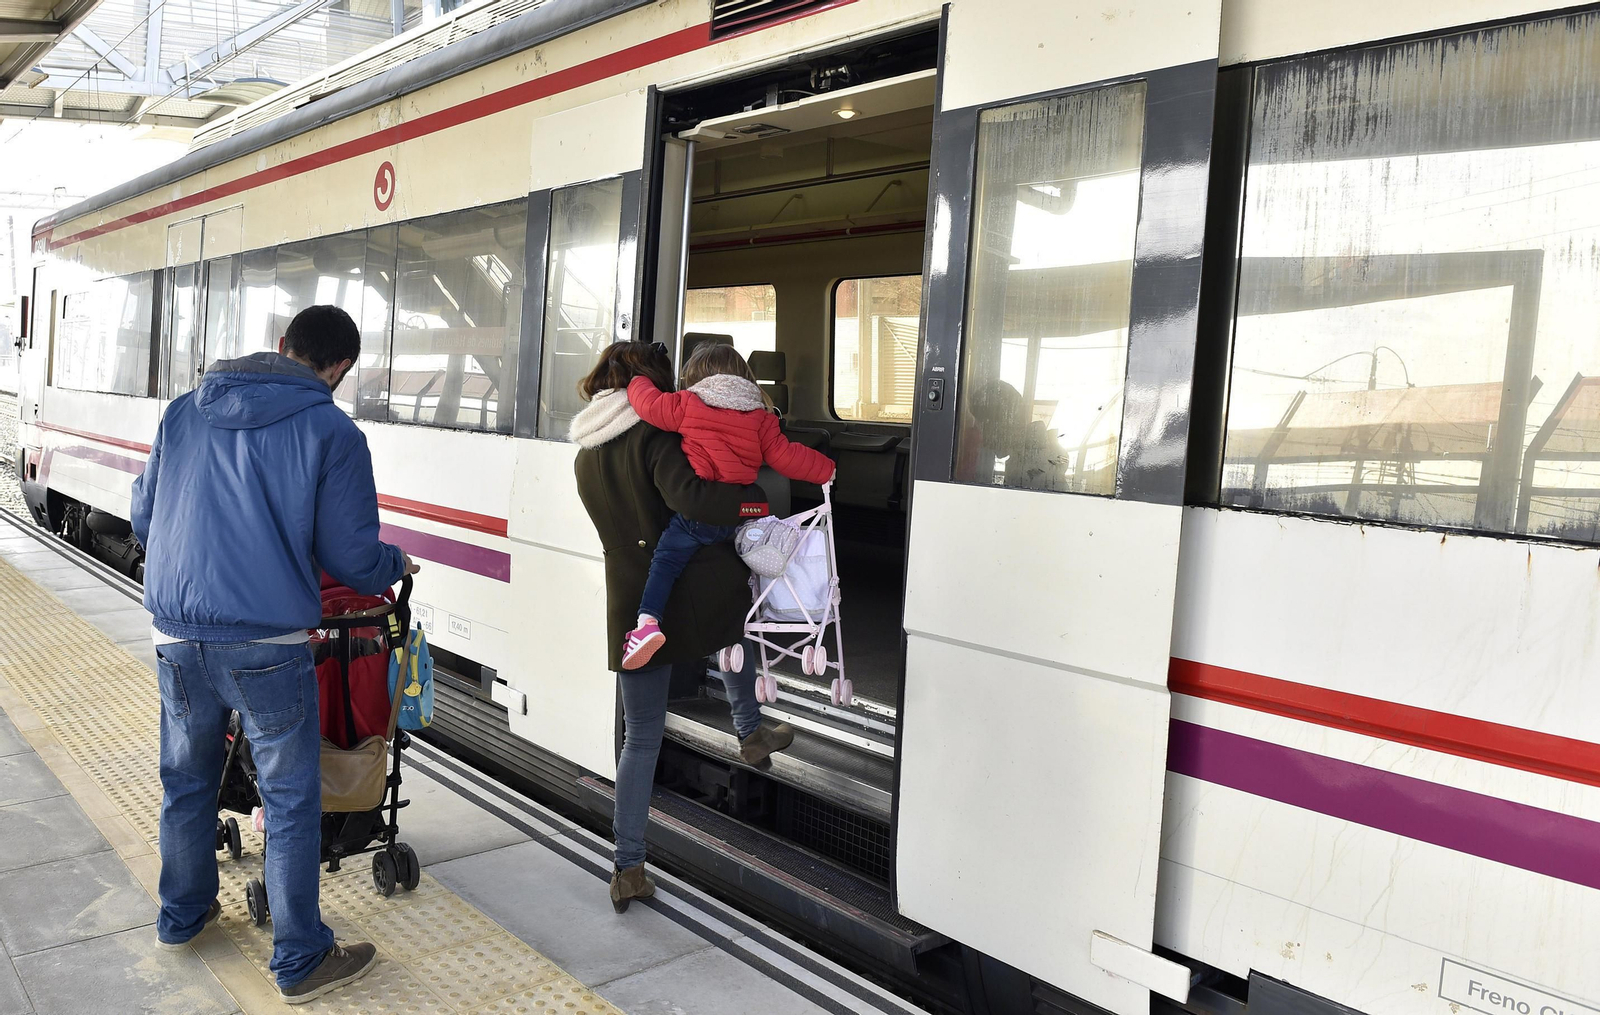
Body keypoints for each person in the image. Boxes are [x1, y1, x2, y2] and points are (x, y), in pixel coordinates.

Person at [130, 305, 418, 1005]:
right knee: (290, 800)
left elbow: (144, 516)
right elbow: (351, 556)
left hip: (175, 632)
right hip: (267, 640)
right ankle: (299, 957)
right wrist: (396, 560)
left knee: (186, 779)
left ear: (283, 344)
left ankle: (183, 913)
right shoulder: (331, 430)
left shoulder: (182, 413)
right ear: (340, 367)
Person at [570, 341, 795, 914]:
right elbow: (694, 500)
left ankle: (627, 868)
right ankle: (749, 730)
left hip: (629, 608)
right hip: (692, 596)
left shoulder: (586, 453)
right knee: (740, 617)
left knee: (640, 739)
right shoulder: (655, 436)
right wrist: (754, 504)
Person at [620, 342, 834, 669]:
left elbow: (649, 405)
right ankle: (739, 624)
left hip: (699, 516)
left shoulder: (688, 404)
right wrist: (826, 470)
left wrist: (636, 378)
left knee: (666, 561)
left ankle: (647, 622)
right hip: (741, 516)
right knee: (737, 567)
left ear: (695, 376)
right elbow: (786, 456)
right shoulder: (760, 418)